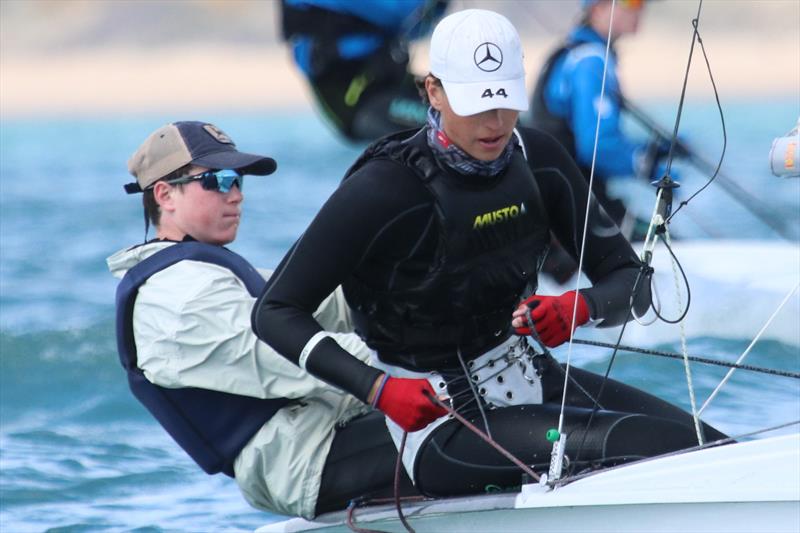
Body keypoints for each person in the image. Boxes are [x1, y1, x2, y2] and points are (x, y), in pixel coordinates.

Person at [252, 9, 725, 498]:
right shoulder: (382, 189)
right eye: (477, 104)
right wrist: (377, 388)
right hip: (442, 427)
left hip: (534, 382)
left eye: (505, 102)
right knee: (653, 445)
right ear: (434, 91)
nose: (495, 123)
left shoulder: (539, 161)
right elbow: (274, 312)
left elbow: (633, 283)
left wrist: (579, 307)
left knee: (712, 449)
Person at [107, 121, 415, 519]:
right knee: (486, 428)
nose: (235, 195)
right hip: (305, 461)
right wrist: (425, 362)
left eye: (238, 181)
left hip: (329, 428)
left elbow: (325, 304)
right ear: (165, 194)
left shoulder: (207, 272)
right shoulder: (178, 298)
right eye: (216, 181)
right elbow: (289, 353)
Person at [531, 0, 669, 247]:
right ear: (597, 8)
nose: (639, 9)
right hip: (572, 209)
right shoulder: (590, 61)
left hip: (567, 199)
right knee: (669, 245)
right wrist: (652, 166)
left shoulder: (577, 52)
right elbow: (597, 148)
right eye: (631, 2)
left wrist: (656, 149)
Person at [280, 0, 448, 141]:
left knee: (460, 110)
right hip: (360, 102)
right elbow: (395, 11)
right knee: (451, 122)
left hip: (387, 87)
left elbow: (416, 27)